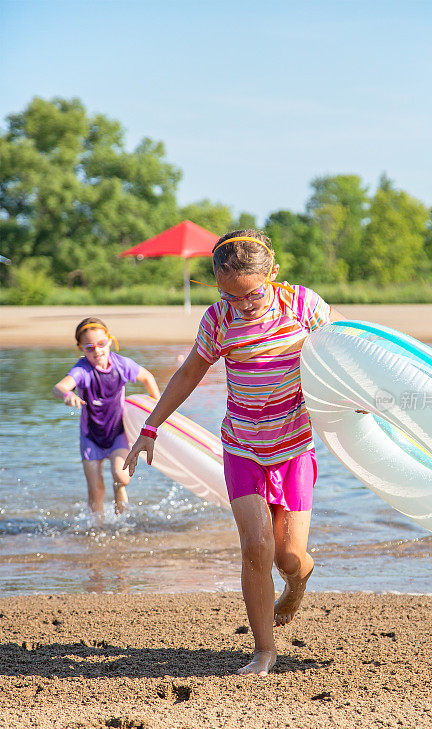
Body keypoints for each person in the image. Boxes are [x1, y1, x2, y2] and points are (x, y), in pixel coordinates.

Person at [124, 231, 334, 677]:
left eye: (251, 294)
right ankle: (264, 650)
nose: (241, 304)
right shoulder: (219, 319)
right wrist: (150, 426)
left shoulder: (303, 305)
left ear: (273, 275)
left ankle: (297, 584)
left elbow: (346, 353)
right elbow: (188, 373)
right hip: (242, 445)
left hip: (294, 444)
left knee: (290, 558)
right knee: (256, 547)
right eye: (228, 295)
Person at [53, 317, 160, 516]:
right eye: (89, 348)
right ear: (81, 349)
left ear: (110, 340)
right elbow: (58, 387)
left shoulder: (122, 365)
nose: (97, 351)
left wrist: (157, 409)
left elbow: (147, 377)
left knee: (122, 477)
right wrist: (67, 395)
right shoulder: (82, 370)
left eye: (101, 344)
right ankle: (98, 530)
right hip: (90, 437)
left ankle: (119, 496)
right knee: (95, 491)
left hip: (117, 433)